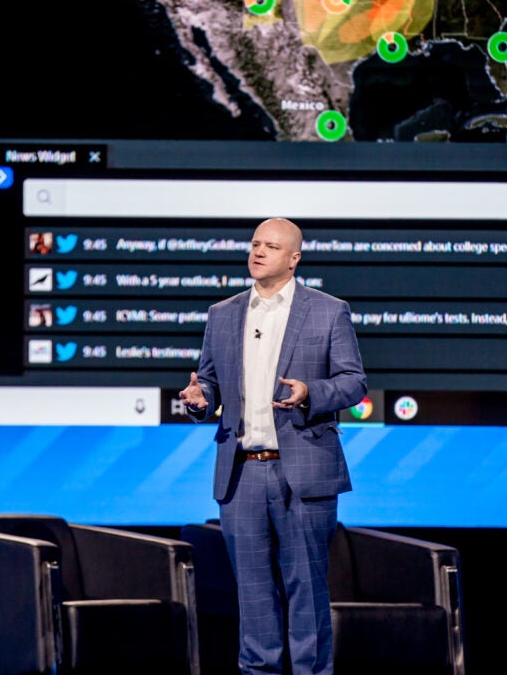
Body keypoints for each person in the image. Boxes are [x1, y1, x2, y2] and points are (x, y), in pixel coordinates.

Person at [179, 217, 366, 675]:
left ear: (293, 258)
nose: (258, 252)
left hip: (302, 471)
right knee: (254, 596)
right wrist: (200, 400)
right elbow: (209, 384)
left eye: (271, 246)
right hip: (241, 473)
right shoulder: (222, 314)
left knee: (307, 590)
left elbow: (353, 382)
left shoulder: (327, 310)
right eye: (255, 243)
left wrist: (311, 393)